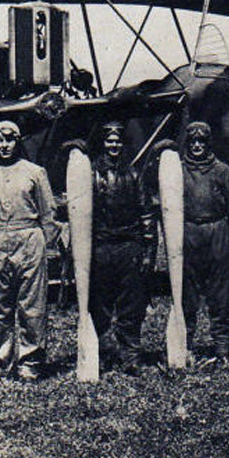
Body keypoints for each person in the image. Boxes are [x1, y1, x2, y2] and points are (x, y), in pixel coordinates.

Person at [0, 120, 60, 380]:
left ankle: (30, 361)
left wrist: (50, 246)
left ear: (17, 141)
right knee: (1, 306)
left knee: (32, 305)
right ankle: (1, 361)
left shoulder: (35, 172)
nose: (4, 145)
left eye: (9, 139)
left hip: (30, 238)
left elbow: (48, 212)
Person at [86, 121, 156, 375]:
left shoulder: (134, 175)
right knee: (100, 304)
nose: (114, 145)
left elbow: (146, 213)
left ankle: (130, 355)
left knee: (132, 305)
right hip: (101, 247)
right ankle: (104, 353)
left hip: (129, 246)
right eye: (109, 141)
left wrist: (148, 251)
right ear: (103, 144)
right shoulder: (90, 174)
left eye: (117, 141)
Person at [180, 121, 229, 361]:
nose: (197, 146)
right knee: (187, 295)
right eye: (193, 142)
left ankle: (222, 347)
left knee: (221, 295)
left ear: (209, 144)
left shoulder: (223, 172)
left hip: (218, 232)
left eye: (202, 142)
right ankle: (184, 345)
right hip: (188, 234)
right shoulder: (178, 171)